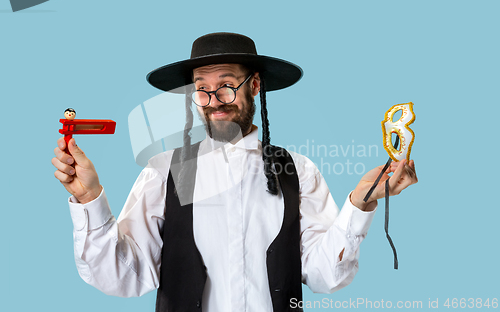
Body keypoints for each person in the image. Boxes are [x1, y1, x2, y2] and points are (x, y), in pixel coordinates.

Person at [52, 32, 418, 312]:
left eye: (227, 85)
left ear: (254, 85)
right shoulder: (162, 171)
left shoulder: (299, 171)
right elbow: (124, 277)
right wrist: (89, 199)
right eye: (202, 89)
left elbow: (325, 276)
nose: (214, 100)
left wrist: (360, 203)